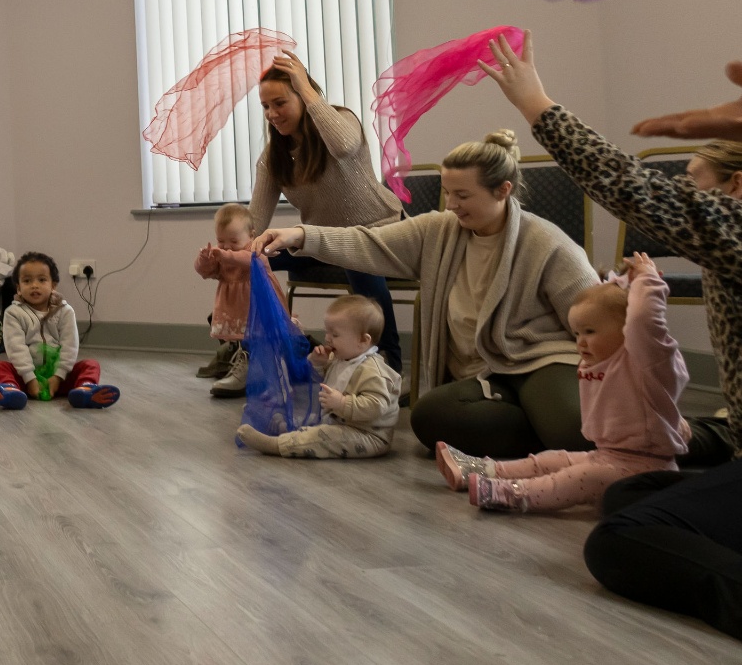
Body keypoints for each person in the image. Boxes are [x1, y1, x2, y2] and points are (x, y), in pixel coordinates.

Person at [481, 35, 742, 665]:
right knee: (631, 495)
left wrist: (538, 107)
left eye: (698, 186)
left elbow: (632, 188)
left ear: (739, 185)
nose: (688, 198)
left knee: (623, 539)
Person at [252, 129, 595, 458]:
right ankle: (544, 434)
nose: (451, 205)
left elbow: (596, 311)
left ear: (503, 190)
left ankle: (553, 430)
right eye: (447, 193)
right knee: (429, 419)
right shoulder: (439, 230)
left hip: (541, 363)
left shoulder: (547, 242)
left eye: (462, 196)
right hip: (486, 374)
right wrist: (300, 235)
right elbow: (369, 242)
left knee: (572, 431)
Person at [438, 254, 688, 513]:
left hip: (645, 472)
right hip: (610, 456)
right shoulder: (598, 362)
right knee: (554, 460)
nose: (580, 341)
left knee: (579, 479)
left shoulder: (647, 359)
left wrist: (647, 278)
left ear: (628, 330)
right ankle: (486, 469)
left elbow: (644, 321)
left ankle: (513, 494)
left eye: (590, 332)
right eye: (577, 332)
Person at [248, 52, 407, 375]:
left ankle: (388, 363)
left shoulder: (342, 120)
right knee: (252, 259)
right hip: (323, 242)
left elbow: (345, 146)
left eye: (280, 103)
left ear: (304, 95)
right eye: (266, 107)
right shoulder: (273, 158)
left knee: (354, 256)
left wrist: (307, 90)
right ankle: (289, 346)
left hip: (380, 232)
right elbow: (254, 224)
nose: (272, 114)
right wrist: (231, 253)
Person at [236, 293, 400, 459]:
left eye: (335, 335)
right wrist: (317, 363)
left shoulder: (373, 371)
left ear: (363, 340)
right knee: (310, 419)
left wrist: (343, 403)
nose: (327, 338)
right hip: (336, 419)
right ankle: (280, 426)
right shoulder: (340, 359)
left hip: (367, 435)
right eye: (327, 332)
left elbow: (377, 406)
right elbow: (317, 383)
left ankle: (277, 445)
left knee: (321, 436)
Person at [0, 252, 119, 410]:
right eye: (27, 281)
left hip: (59, 379)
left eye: (42, 280)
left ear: (53, 285)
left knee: (90, 365)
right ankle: (10, 391)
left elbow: (69, 345)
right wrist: (30, 379)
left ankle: (85, 390)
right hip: (25, 379)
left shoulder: (65, 311)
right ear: (19, 288)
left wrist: (58, 376)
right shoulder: (13, 313)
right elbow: (16, 348)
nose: (34, 285)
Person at [193, 202, 253, 385]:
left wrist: (227, 255)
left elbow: (251, 261)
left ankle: (255, 368)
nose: (227, 247)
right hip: (230, 305)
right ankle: (236, 363)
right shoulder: (222, 256)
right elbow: (205, 272)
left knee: (253, 337)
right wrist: (205, 260)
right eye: (221, 241)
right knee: (236, 339)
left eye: (234, 242)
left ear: (251, 236)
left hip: (251, 304)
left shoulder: (253, 251)